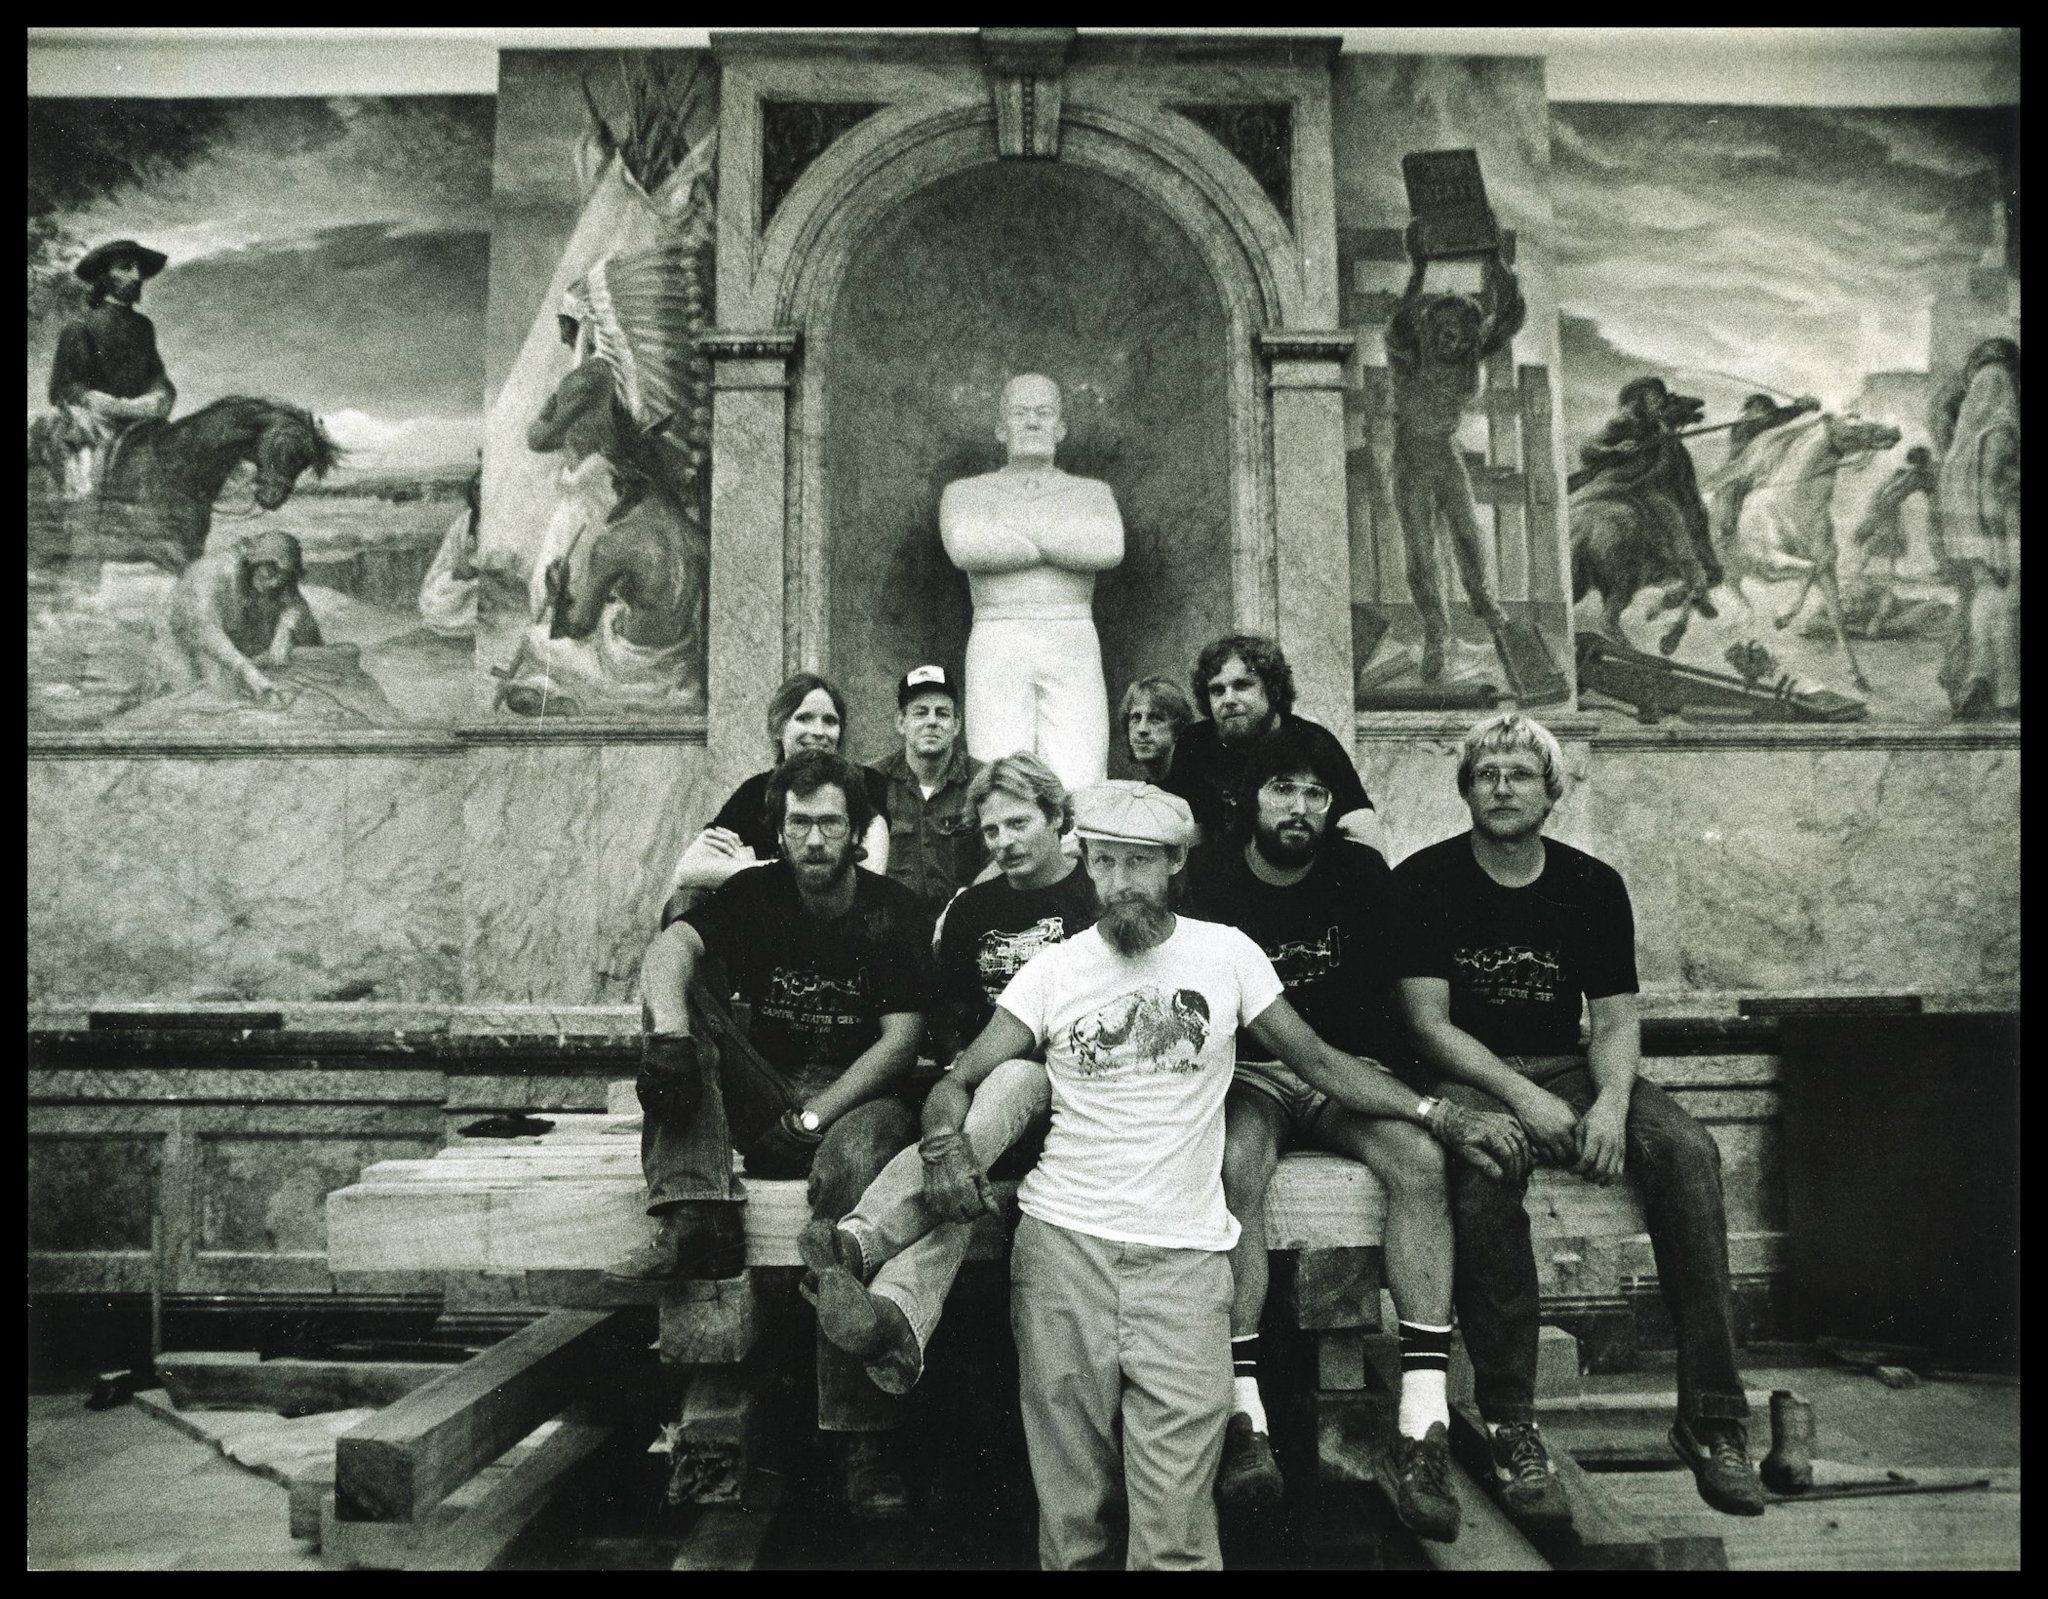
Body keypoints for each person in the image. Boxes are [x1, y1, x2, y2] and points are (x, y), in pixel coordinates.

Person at [803, 781, 1527, 1569]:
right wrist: (943, 1137)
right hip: (1061, 1254)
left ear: (1175, 864)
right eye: (1104, 863)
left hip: (1184, 1265)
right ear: (1085, 866)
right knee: (1073, 1524)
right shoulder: (1054, 970)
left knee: (1178, 1533)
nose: (1119, 883)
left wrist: (1439, 1115)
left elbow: (1319, 1062)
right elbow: (960, 1074)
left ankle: (866, 1252)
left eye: (1139, 864)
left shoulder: (1226, 954)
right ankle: (860, 1251)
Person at [1392, 713, 1767, 1524]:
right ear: (1465, 789)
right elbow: (1427, 1023)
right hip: (1471, 1071)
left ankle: (1712, 1418)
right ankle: (1512, 1422)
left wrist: (1612, 1103)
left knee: (1687, 1149)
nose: (1501, 785)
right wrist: (1524, 1100)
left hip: (1567, 1062)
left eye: (1519, 774)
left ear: (1551, 792)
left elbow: (1617, 1020)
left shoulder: (1591, 885)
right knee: (1492, 1161)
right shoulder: (1425, 879)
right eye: (1486, 772)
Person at [609, 749, 934, 1518]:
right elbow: (669, 952)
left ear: (856, 832)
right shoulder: (753, 894)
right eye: (800, 823)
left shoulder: (894, 908)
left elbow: (901, 1040)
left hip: (862, 1094)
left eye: (830, 823)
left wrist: (818, 1117)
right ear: (779, 831)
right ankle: (697, 1214)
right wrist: (671, 1038)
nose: (815, 838)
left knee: (849, 1180)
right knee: (678, 1014)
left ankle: (862, 1432)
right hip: (771, 1086)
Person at [1183, 722, 1463, 1539]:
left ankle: (1423, 1423)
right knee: (1236, 1162)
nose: (1299, 806)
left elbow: (1388, 1007)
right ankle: (1245, 1417)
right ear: (1252, 799)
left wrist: (1391, 1089)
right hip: (1253, 1075)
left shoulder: (1360, 872)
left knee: (1417, 1160)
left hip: (1345, 1067)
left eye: (1317, 792)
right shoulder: (1211, 880)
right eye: (1283, 788)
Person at [796, 753, 1097, 1399]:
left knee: (1012, 1079)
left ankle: (857, 1239)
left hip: (1075, 1094)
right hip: (982, 1100)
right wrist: (951, 1115)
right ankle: (896, 1323)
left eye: (1019, 824)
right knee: (961, 1185)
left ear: (1057, 816)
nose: (1004, 842)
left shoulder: (1093, 898)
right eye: (991, 833)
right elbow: (949, 1020)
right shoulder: (973, 910)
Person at [940, 374, 1125, 792]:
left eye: (1043, 413)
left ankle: (1074, 854)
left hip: (1071, 632)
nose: (1032, 422)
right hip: (997, 632)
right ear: (1000, 428)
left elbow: (1108, 547)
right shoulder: (967, 493)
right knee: (997, 766)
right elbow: (966, 547)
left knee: (1080, 769)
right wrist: (1061, 539)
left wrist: (1012, 533)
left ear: (1060, 427)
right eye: (1020, 413)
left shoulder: (1092, 493)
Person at [1385, 242, 1524, 681]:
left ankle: (1488, 609)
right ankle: (1436, 632)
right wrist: (1418, 270)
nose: (1453, 338)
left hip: (1445, 454)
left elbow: (1510, 317)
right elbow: (1402, 323)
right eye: (1444, 329)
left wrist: (1496, 264)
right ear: (1430, 330)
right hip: (1411, 459)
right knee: (1422, 552)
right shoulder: (1410, 351)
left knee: (1469, 536)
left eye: (1461, 331)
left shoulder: (1468, 353)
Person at [658, 672, 888, 906]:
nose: (819, 731)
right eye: (804, 718)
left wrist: (745, 867)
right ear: (778, 728)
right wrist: (787, 871)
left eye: (830, 721)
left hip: (834, 918)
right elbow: (687, 870)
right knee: (683, 903)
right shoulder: (755, 791)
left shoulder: (865, 783)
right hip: (767, 921)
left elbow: (870, 873)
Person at [1162, 633, 1379, 871]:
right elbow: (1184, 834)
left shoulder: (1315, 743)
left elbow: (1362, 832)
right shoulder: (1196, 743)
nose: (1228, 699)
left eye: (1242, 685)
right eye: (1217, 690)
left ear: (1273, 688)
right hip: (1224, 888)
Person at [1929, 337, 2021, 719]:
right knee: (2009, 604)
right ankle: (2007, 693)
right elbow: (1998, 481)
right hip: (1998, 527)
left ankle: (1979, 681)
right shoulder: (1999, 429)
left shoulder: (1961, 442)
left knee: (1982, 604)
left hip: (1972, 535)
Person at [46, 239, 177, 502]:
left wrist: (160, 394)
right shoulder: (80, 326)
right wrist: (105, 403)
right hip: (96, 422)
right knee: (86, 491)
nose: (136, 276)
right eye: (125, 268)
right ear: (104, 277)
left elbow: (155, 374)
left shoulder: (143, 326)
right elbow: (63, 388)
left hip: (142, 418)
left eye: (138, 269)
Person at [864, 665, 987, 913]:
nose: (932, 721)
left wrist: (967, 901)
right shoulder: (871, 781)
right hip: (892, 924)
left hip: (965, 919)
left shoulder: (982, 780)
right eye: (921, 713)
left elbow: (1000, 857)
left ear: (956, 724)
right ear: (901, 722)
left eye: (942, 714)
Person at [157, 529, 321, 705]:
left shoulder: (276, 580)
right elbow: (206, 630)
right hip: (185, 648)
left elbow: (295, 606)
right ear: (256, 564)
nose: (274, 582)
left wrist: (286, 629)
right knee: (201, 701)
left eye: (282, 577)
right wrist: (247, 671)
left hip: (233, 651)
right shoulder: (212, 575)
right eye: (269, 572)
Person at [1709, 392, 1821, 572]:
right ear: (1749, 410)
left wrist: (1802, 407)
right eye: (1757, 409)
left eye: (1764, 409)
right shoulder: (1743, 427)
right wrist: (1800, 407)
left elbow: (1777, 419)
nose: (1761, 412)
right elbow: (1772, 420)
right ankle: (1726, 538)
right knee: (1730, 495)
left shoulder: (1767, 422)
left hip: (1761, 469)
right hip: (1740, 470)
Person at [1848, 445, 1937, 635]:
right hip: (1884, 522)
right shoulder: (1909, 475)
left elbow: (1883, 499)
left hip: (1884, 522)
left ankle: (1876, 616)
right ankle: (1875, 615)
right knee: (1880, 567)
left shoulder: (1903, 474)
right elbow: (1884, 500)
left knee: (1879, 566)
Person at [1117, 674, 1194, 785]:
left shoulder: (1192, 785)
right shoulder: (1148, 789)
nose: (1142, 729)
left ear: (1178, 729)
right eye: (1136, 718)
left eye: (1155, 718)